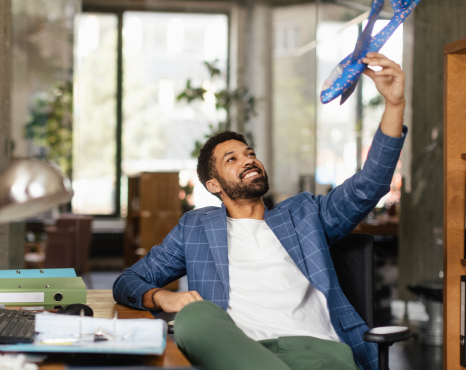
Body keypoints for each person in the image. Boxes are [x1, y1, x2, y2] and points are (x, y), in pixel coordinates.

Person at [113, 52, 407, 370]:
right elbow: (128, 281)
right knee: (194, 317)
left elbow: (369, 185)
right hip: (239, 353)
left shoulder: (305, 214)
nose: (248, 160)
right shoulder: (196, 228)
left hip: (317, 353)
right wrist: (163, 298)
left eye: (249, 153)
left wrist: (393, 106)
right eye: (232, 159)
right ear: (213, 185)